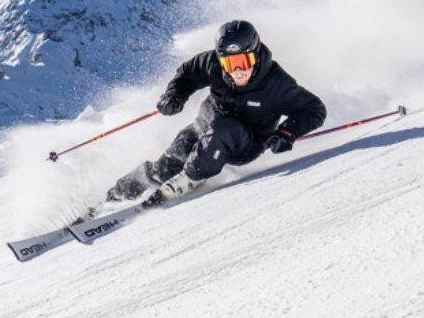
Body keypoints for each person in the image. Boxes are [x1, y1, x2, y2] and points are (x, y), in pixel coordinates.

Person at [106, 19, 327, 203]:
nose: (238, 71)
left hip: (245, 144)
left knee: (225, 128)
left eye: (244, 61)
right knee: (163, 168)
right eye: (230, 64)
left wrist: (286, 132)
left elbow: (314, 109)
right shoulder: (212, 64)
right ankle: (116, 196)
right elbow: (187, 75)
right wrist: (174, 96)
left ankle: (189, 179)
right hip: (202, 128)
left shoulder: (276, 83)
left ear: (256, 55)